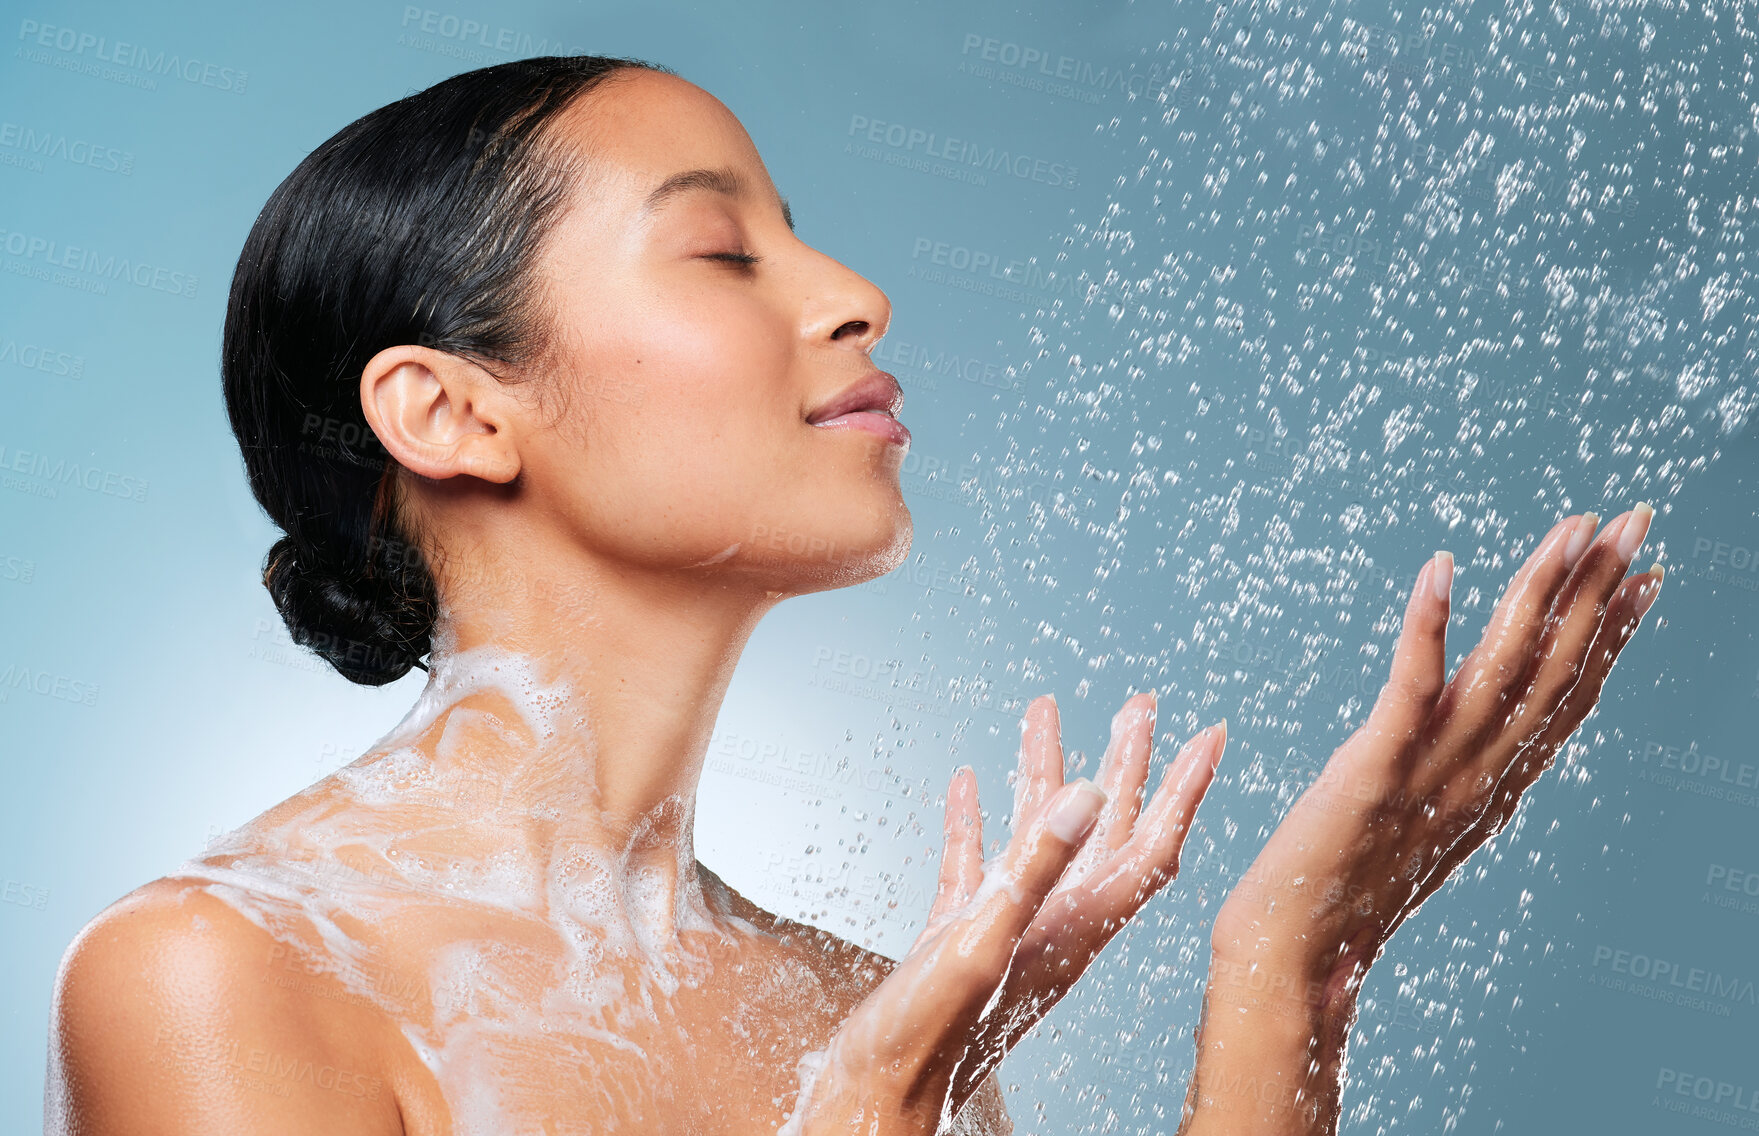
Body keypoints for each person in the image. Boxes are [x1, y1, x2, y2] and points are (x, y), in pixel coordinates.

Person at [42, 55, 1663, 1136]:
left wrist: (1292, 964)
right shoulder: (219, 979)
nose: (856, 295)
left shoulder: (843, 1003)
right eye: (720, 253)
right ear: (454, 412)